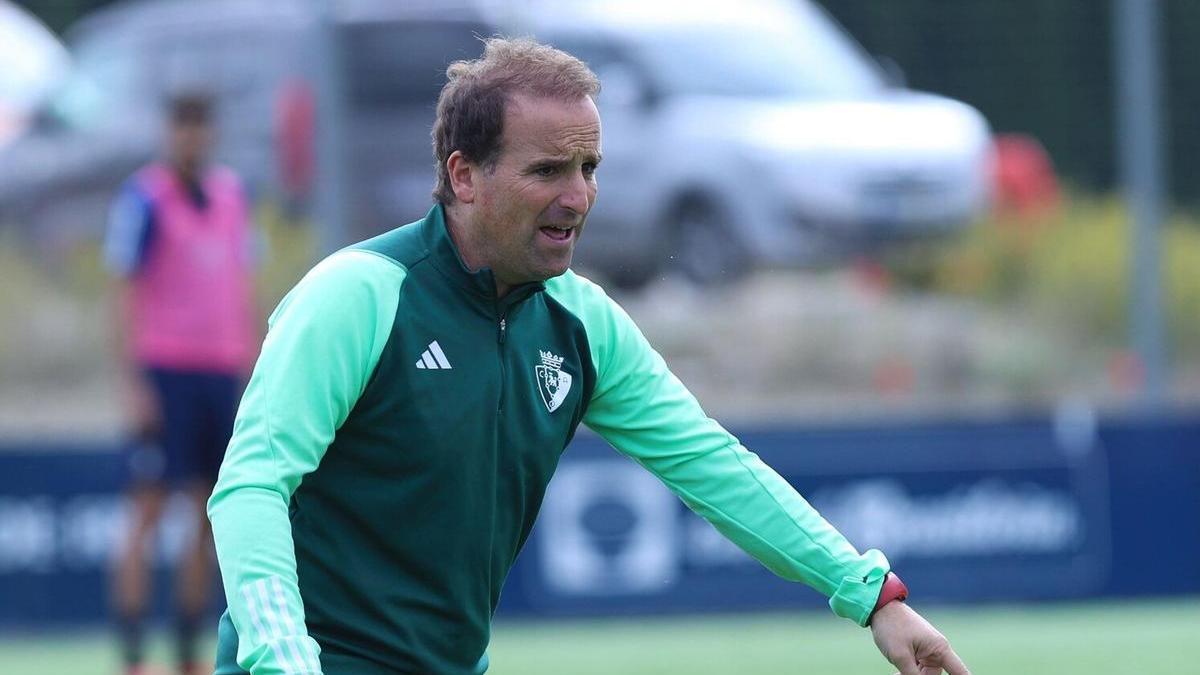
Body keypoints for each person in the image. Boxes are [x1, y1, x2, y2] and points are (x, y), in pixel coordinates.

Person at [209, 38, 969, 675]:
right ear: (464, 175)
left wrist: (871, 595)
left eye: (590, 168)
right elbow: (251, 486)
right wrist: (285, 661)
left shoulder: (583, 322)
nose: (578, 197)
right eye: (548, 170)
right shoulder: (357, 296)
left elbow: (713, 465)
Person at [104, 93, 258, 675]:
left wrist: (250, 361)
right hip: (164, 372)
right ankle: (133, 656)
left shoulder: (232, 195)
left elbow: (242, 281)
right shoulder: (144, 198)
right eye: (182, 128)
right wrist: (134, 381)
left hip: (218, 372)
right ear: (168, 133)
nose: (191, 139)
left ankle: (190, 654)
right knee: (145, 512)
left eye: (199, 127)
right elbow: (123, 289)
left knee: (206, 514)